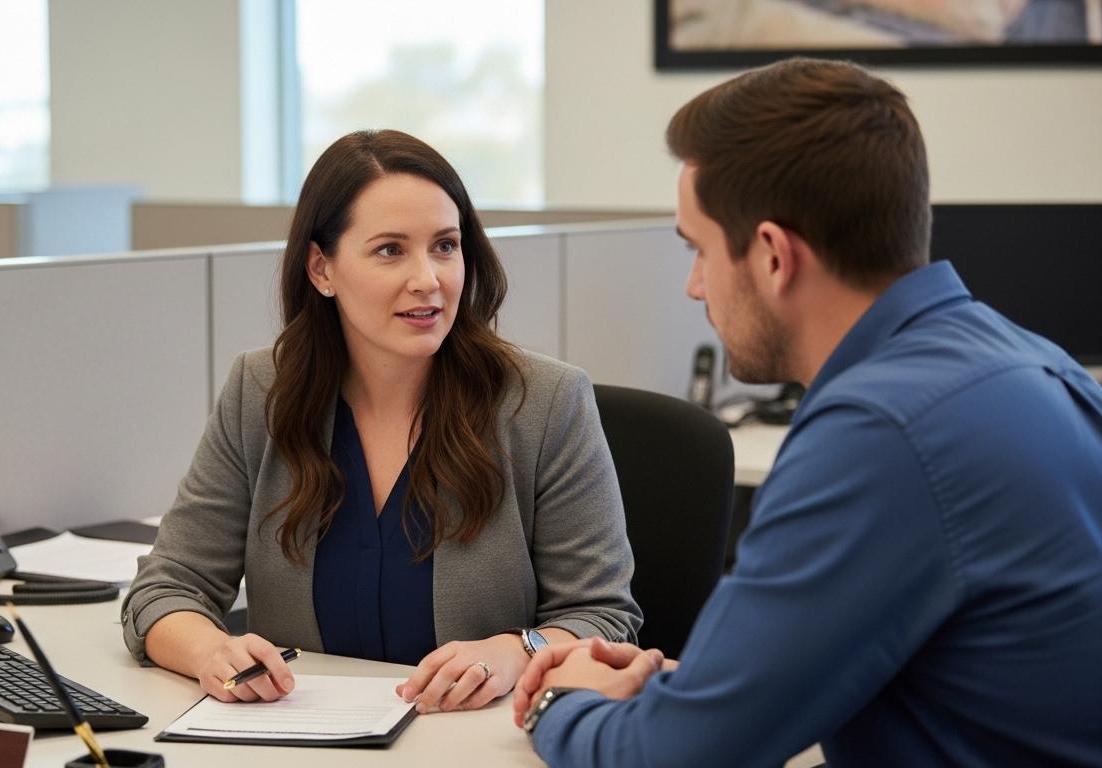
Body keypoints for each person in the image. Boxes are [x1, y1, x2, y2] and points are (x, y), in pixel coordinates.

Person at [514, 58, 1102, 766]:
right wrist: (714, 689)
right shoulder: (1028, 362)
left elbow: (674, 759)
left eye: (698, 251)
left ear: (771, 256)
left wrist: (558, 700)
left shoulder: (883, 433)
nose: (695, 287)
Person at [122, 129, 641, 715]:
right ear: (322, 269)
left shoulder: (544, 403)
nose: (428, 278)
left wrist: (519, 650)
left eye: (445, 246)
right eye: (391, 250)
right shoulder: (261, 392)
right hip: (298, 747)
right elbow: (166, 589)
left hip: (470, 744)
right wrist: (210, 651)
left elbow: (604, 618)